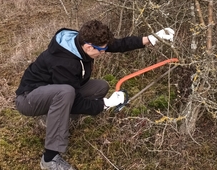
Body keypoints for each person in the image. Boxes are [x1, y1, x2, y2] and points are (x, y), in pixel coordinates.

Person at [15, 20, 174, 170]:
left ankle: (59, 123)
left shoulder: (81, 41)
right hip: (29, 99)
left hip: (51, 91)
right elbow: (74, 101)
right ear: (89, 47)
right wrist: (104, 104)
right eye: (102, 50)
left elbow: (117, 44)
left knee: (100, 86)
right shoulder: (64, 62)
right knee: (66, 92)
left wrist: (151, 38)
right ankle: (49, 159)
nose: (104, 53)